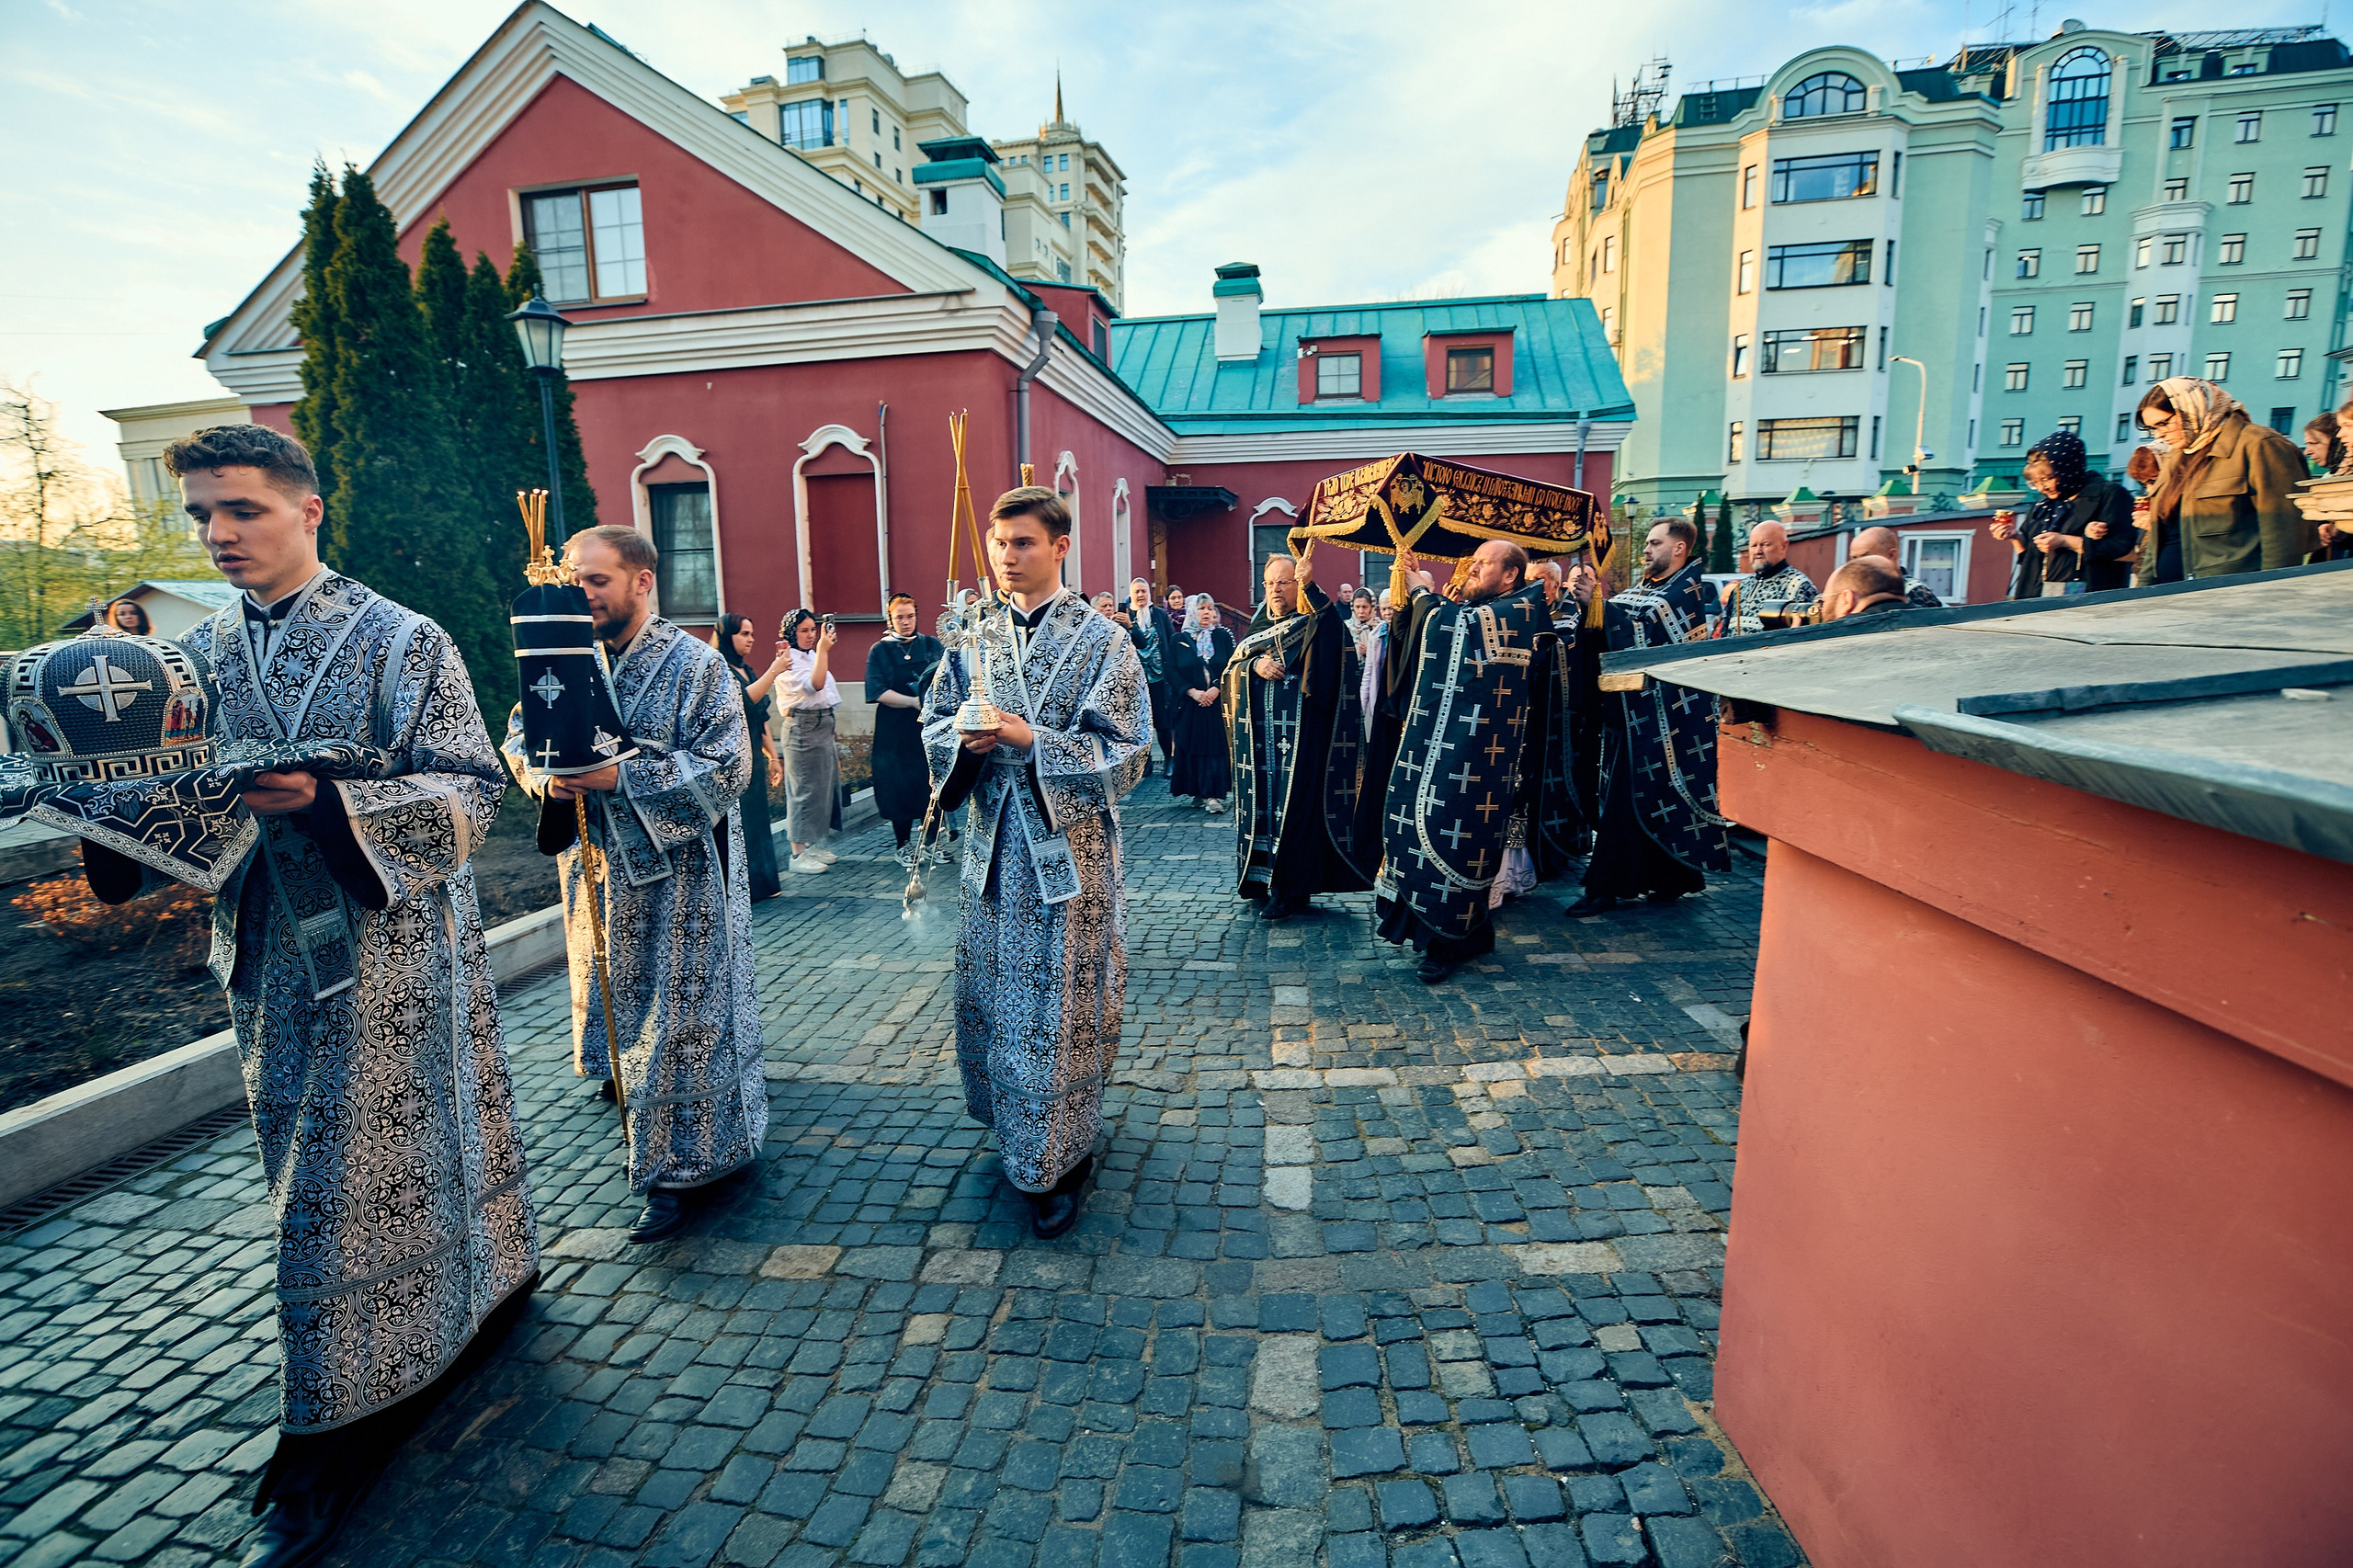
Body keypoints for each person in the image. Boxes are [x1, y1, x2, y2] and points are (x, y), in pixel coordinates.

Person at [144, 425, 538, 1567]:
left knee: (351, 1174)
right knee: (306, 1161)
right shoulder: (196, 659)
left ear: (308, 510)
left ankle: (325, 1425)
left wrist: (326, 798)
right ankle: (456, 1302)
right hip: (269, 956)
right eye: (200, 516)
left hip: (398, 954)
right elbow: (160, 805)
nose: (217, 534)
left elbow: (472, 793)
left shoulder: (402, 639)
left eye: (242, 510)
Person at [505, 525, 765, 1246]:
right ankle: (648, 1126)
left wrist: (622, 776)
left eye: (596, 580)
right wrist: (546, 779)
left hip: (682, 881)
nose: (580, 593)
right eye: (574, 580)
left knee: (682, 1024)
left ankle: (678, 1170)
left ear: (642, 581)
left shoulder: (696, 665)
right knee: (626, 1009)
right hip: (597, 872)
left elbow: (727, 768)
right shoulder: (562, 654)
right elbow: (523, 734)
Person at [919, 485, 1148, 1237]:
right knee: (996, 999)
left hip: (1068, 862)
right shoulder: (971, 639)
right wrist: (964, 741)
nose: (1008, 557)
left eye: (1023, 543)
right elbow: (934, 725)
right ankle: (1015, 1129)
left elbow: (1128, 754)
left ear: (1060, 547)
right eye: (999, 543)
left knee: (1058, 1011)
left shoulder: (1104, 642)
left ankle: (1060, 1156)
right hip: (990, 857)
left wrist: (1030, 741)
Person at [1370, 540, 1548, 984]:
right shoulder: (1487, 607)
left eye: (1481, 564)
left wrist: (1419, 592)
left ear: (1510, 574)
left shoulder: (1520, 610)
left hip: (1476, 762)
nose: (1470, 570)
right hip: (1449, 747)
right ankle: (1466, 935)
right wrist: (1414, 590)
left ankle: (1447, 942)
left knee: (1455, 841)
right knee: (1427, 831)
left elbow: (1454, 628)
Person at [1565, 517, 1729, 919]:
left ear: (1679, 549)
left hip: (1666, 720)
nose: (1646, 550)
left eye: (1655, 543)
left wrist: (1600, 607)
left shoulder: (1684, 592)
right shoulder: (1646, 589)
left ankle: (1604, 888)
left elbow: (1648, 635)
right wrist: (1592, 609)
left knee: (1629, 800)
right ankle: (1669, 878)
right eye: (1647, 543)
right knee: (1638, 798)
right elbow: (1615, 625)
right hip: (1629, 713)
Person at [1225, 552, 1372, 922]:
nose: (1276, 589)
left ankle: (1291, 888)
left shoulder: (1314, 623)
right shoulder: (1258, 630)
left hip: (1301, 744)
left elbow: (1335, 637)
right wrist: (1253, 665)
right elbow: (1231, 670)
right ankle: (1262, 879)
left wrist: (1312, 587)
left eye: (1285, 583)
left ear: (1298, 585)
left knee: (1294, 813)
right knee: (1264, 812)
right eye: (1271, 583)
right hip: (1259, 747)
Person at [2135, 379, 2314, 581]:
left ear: (2191, 408)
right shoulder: (2176, 455)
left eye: (2163, 423)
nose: (2159, 435)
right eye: (2152, 429)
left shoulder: (2259, 445)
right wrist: (2144, 588)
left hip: (2228, 594)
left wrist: (2270, 592)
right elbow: (2161, 536)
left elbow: (2284, 536)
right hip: (2170, 594)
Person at [866, 591, 945, 850]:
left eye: (910, 616)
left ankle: (931, 843)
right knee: (896, 785)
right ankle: (904, 845)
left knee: (928, 782)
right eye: (900, 617)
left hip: (926, 728)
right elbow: (877, 690)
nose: (906, 621)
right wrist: (912, 702)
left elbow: (947, 678)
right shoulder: (880, 650)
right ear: (890, 619)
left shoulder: (931, 645)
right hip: (894, 731)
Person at [716, 612, 785, 901]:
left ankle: (763, 883)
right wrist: (775, 670)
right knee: (740, 823)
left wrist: (773, 756)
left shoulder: (747, 669)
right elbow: (741, 702)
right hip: (732, 758)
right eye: (744, 634)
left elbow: (761, 716)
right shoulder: (720, 669)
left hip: (754, 756)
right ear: (727, 636)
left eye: (752, 634)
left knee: (758, 821)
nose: (751, 639)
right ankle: (741, 888)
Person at [775, 608, 841, 874]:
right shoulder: (788, 658)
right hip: (802, 726)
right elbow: (816, 684)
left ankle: (812, 845)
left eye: (813, 629)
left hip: (821, 723)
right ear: (792, 633)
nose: (811, 635)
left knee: (822, 788)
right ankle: (796, 854)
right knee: (802, 790)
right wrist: (824, 651)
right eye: (804, 630)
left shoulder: (810, 655)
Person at [1168, 594, 1233, 812]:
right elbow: (1173, 671)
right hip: (1191, 704)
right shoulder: (1179, 640)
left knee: (1213, 749)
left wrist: (1216, 688)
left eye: (1210, 608)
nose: (1207, 613)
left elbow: (1230, 666)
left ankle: (1212, 795)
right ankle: (1196, 790)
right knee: (1193, 747)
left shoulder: (1222, 636)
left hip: (1215, 704)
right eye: (1202, 608)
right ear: (1192, 612)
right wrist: (1192, 692)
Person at [1716, 519, 1818, 635]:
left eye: (1765, 544)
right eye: (1754, 546)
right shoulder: (1740, 589)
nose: (1758, 551)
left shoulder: (1800, 586)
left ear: (1783, 547)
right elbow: (1725, 634)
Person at [1126, 577, 1179, 776]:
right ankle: (1145, 762)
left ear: (1148, 594)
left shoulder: (1160, 615)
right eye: (1137, 592)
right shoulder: (1127, 616)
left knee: (1163, 722)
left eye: (1143, 591)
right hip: (1136, 681)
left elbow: (1170, 641)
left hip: (1159, 678)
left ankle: (1168, 760)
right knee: (1140, 723)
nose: (1140, 595)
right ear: (1131, 595)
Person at [1848, 527, 1948, 608]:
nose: (1858, 564)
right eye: (1854, 558)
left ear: (1892, 555)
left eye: (1865, 557)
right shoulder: (1851, 592)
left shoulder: (1916, 593)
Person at [1819, 556, 1910, 619]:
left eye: (1823, 602)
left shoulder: (1832, 641)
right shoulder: (1923, 621)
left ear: (1847, 600)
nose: (1820, 610)